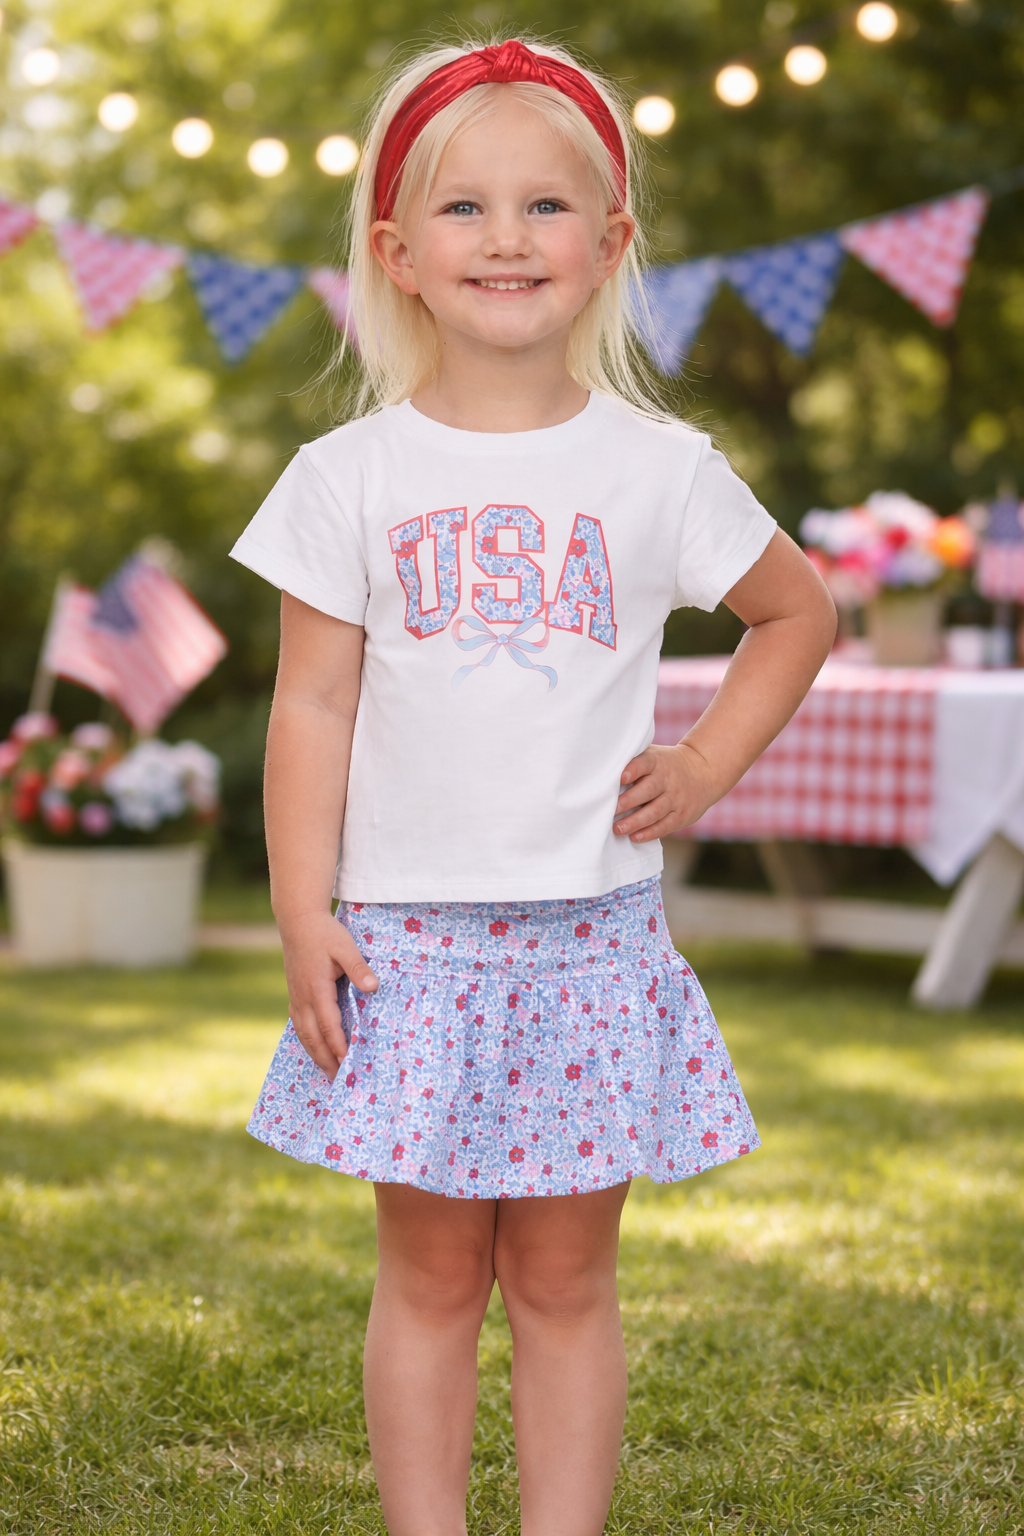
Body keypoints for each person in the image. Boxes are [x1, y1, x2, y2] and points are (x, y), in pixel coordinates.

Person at [230, 36, 836, 1536]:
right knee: (432, 1276)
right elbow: (311, 703)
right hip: (410, 949)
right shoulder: (347, 478)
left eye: (547, 206)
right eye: (465, 208)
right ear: (398, 254)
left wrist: (704, 761)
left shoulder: (660, 469)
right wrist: (302, 910)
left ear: (612, 243)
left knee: (564, 1280)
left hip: (587, 943)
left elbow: (796, 612)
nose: (507, 238)